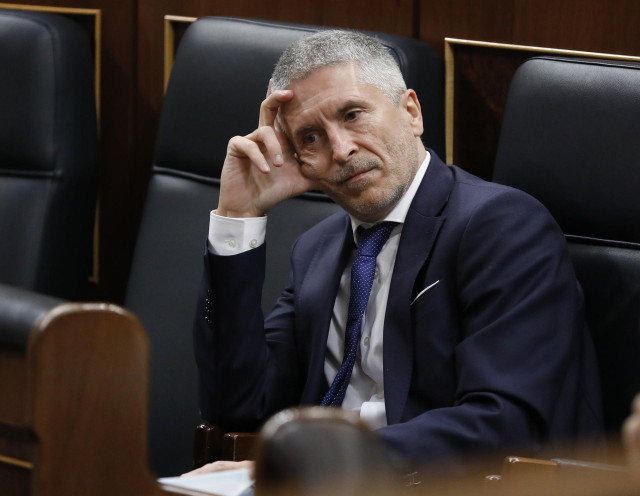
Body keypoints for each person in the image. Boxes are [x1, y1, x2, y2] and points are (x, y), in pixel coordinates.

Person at [191, 29, 602, 474]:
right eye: (310, 138)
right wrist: (238, 216)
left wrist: (318, 464)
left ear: (411, 112)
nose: (342, 150)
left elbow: (505, 421)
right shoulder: (317, 249)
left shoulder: (499, 225)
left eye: (353, 115)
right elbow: (238, 406)